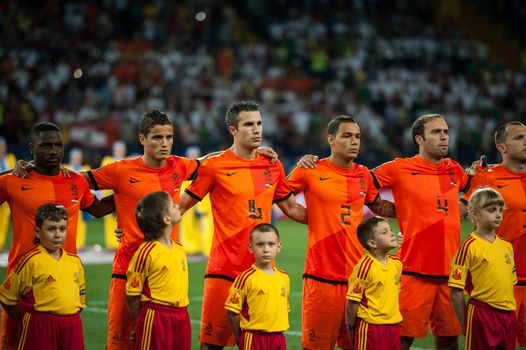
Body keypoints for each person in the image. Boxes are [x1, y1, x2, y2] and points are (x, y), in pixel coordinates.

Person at [179, 100, 306, 350]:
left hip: (262, 274)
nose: (256, 129)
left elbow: (292, 209)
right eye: (248, 124)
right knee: (211, 345)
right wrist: (140, 225)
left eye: (259, 123)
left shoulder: (272, 165)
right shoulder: (214, 166)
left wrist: (331, 217)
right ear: (232, 130)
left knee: (257, 343)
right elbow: (179, 208)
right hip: (223, 271)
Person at [85, 110, 199, 350]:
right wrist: (30, 169)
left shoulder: (179, 165)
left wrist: (252, 151)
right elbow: (76, 181)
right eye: (157, 137)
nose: (165, 143)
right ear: (142, 139)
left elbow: (213, 162)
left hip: (166, 278)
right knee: (121, 344)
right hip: (127, 271)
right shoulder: (120, 170)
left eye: (169, 137)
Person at [0, 122, 114, 350]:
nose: (54, 151)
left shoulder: (76, 181)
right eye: (46, 145)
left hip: (65, 286)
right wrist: (11, 170)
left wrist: (126, 190)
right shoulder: (13, 180)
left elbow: (98, 209)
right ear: (32, 148)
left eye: (58, 145)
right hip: (23, 286)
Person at [286, 115, 396, 350]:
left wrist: (418, 211)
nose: (354, 141)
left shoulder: (364, 175)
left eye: (357, 136)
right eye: (347, 136)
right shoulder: (310, 169)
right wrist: (316, 218)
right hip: (321, 278)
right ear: (331, 140)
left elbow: (379, 206)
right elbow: (283, 198)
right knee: (315, 347)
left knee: (357, 345)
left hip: (358, 279)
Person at [370, 114, 469, 349]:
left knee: (448, 340)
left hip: (451, 273)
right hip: (414, 272)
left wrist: (464, 205)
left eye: (445, 131)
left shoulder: (454, 169)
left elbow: (474, 186)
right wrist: (386, 208)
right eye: (436, 132)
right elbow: (361, 181)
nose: (444, 136)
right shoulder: (399, 168)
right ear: (419, 139)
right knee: (401, 340)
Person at [459, 121, 526, 346]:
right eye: (518, 137)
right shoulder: (486, 178)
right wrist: (468, 177)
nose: (525, 141)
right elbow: (459, 211)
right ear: (502, 147)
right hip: (504, 282)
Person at [0, 203, 86, 350]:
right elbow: (7, 298)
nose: (58, 234)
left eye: (62, 229)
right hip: (40, 325)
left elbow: (80, 296)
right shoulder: (30, 261)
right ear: (38, 232)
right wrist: (26, 320)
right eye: (51, 229)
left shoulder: (75, 261)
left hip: (72, 325)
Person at [449, 187, 517, 349]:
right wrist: (464, 323)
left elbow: (509, 284)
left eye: (501, 210)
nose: (498, 214)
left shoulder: (507, 246)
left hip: (508, 315)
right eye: (491, 210)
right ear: (474, 213)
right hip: (482, 313)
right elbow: (455, 290)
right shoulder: (469, 246)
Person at [126, 191, 190, 350]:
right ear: (166, 219)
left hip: (182, 316)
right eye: (173, 205)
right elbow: (132, 295)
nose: (177, 206)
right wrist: (141, 322)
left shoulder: (179, 248)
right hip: (156, 316)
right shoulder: (146, 252)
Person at [225, 223, 289, 350]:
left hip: (279, 339)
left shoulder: (284, 277)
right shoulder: (245, 278)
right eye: (260, 244)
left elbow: (284, 309)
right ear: (250, 247)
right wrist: (239, 339)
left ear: (278, 247)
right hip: (254, 338)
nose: (266, 249)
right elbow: (232, 312)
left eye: (271, 244)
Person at [345, 216, 402, 349]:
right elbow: (352, 303)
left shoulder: (397, 263)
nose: (392, 233)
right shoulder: (365, 267)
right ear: (372, 243)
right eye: (385, 232)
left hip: (394, 326)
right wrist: (351, 329)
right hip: (371, 328)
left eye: (390, 229)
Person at [179, 146, 213, 257]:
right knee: (188, 225)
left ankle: (206, 249)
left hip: (204, 203)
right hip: (188, 198)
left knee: (206, 226)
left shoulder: (204, 168)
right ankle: (190, 247)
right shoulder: (186, 169)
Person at [100, 140, 127, 249]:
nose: (120, 151)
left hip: (123, 196)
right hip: (109, 195)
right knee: (110, 221)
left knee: (122, 221)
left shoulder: (127, 161)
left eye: (122, 149)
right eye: (119, 149)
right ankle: (111, 244)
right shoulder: (108, 160)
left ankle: (121, 244)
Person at [65, 147, 91, 249]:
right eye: (75, 157)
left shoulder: (85, 168)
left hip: (82, 199)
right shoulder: (65, 168)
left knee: (82, 223)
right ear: (71, 157)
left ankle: (80, 245)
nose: (77, 159)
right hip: (68, 200)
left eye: (79, 157)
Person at [0, 137, 16, 250]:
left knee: (4, 220)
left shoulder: (10, 158)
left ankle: (0, 245)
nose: (2, 149)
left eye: (3, 146)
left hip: (7, 192)